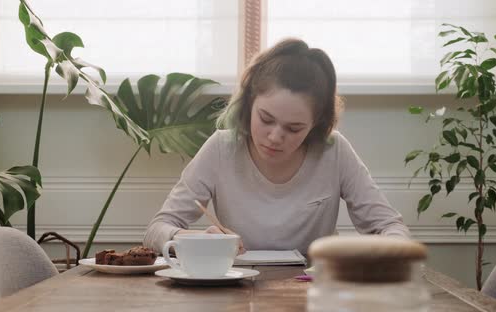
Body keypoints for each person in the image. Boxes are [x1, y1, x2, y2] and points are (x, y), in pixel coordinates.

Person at [143, 38, 409, 255]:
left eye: (294, 129)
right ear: (248, 103)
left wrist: (380, 253)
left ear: (316, 125)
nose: (274, 136)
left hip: (311, 293)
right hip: (235, 294)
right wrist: (193, 237)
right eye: (266, 119)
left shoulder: (334, 151)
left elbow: (391, 227)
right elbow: (157, 229)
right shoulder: (221, 149)